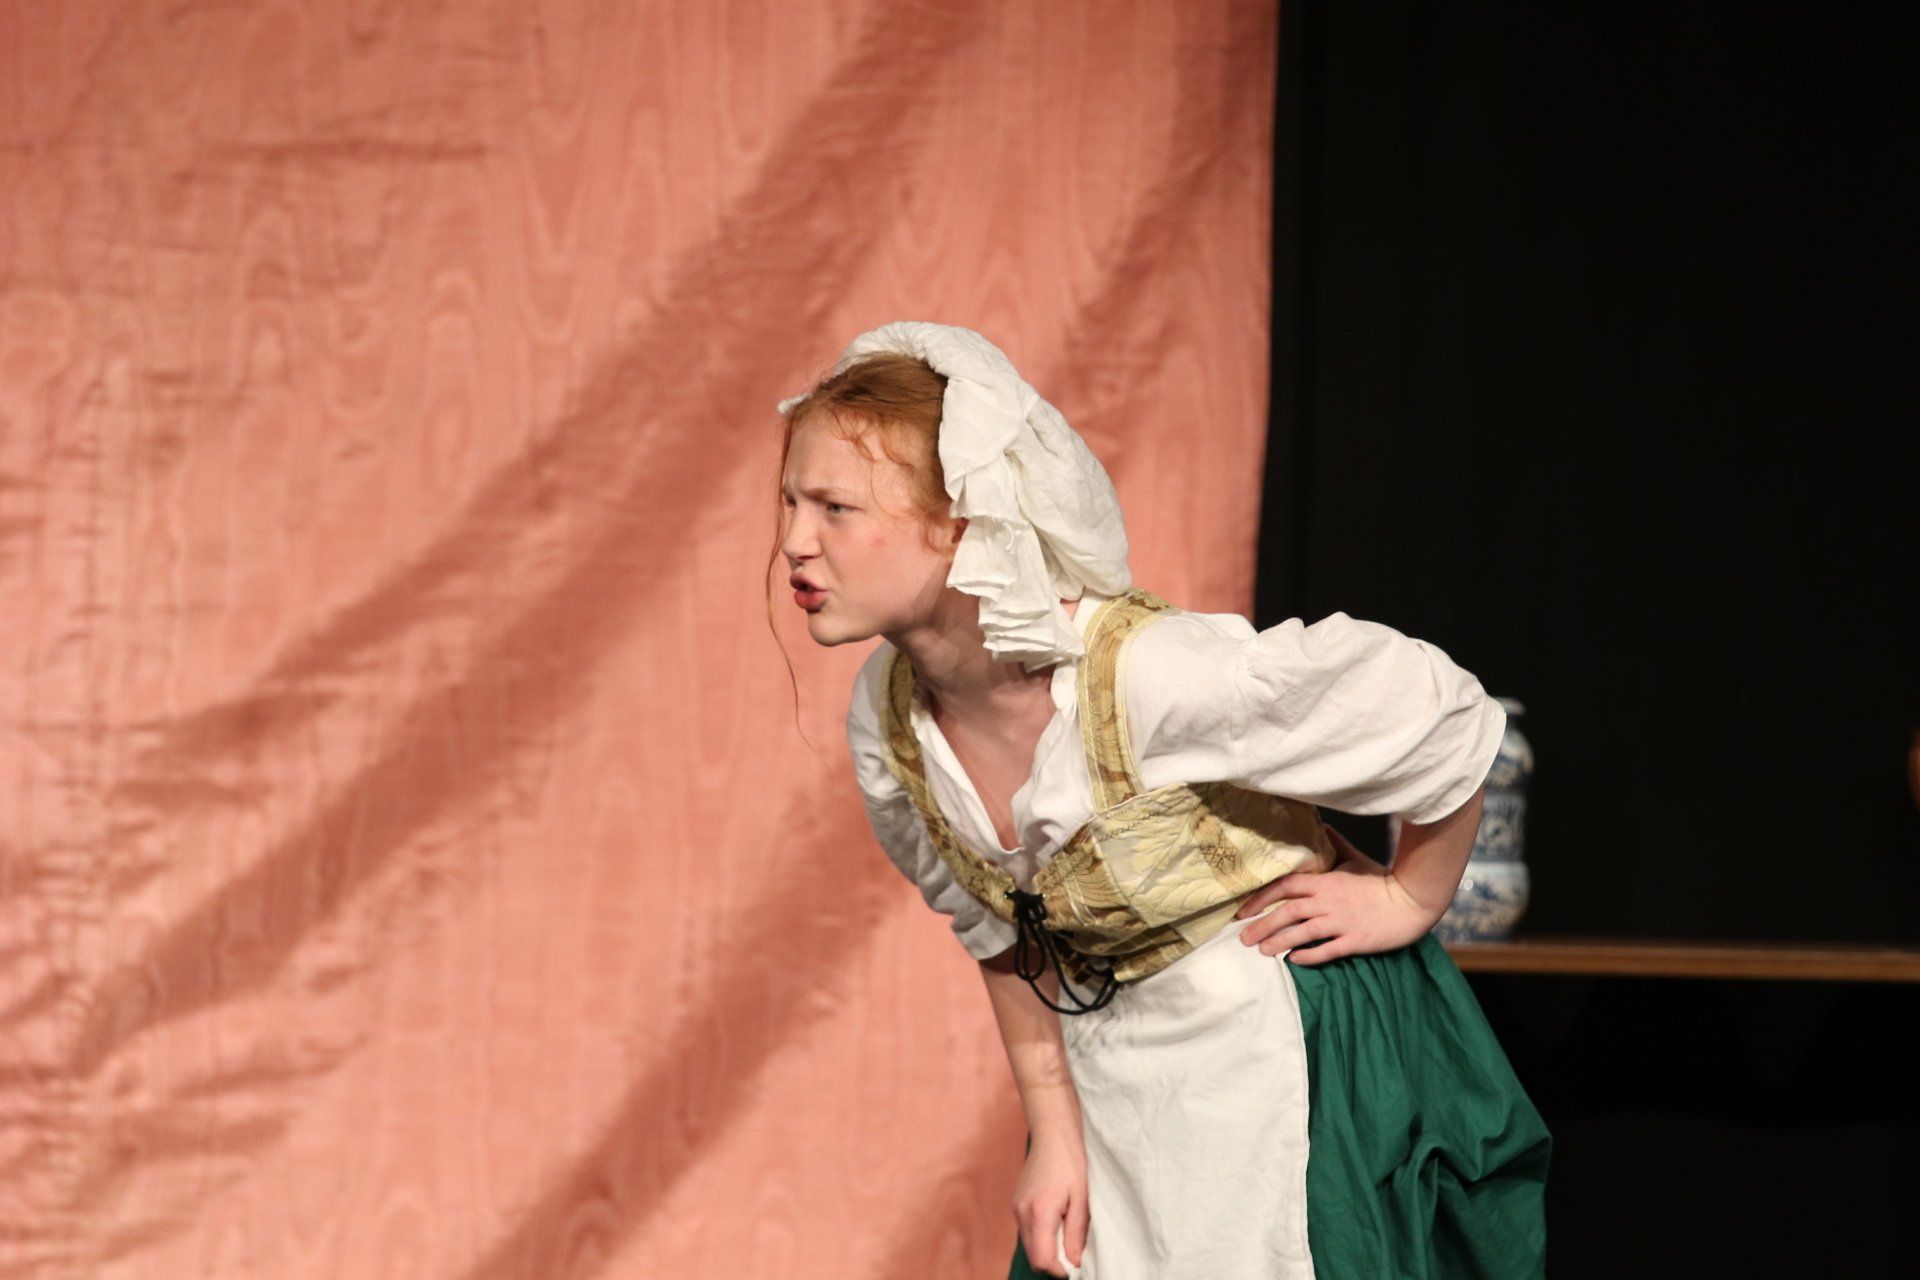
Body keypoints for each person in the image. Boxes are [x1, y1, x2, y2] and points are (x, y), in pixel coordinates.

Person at [772, 321, 1550, 1280]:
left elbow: (1442, 715)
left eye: (835, 508)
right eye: (790, 503)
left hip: (1286, 1049)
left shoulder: (1143, 675)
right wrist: (1054, 1132)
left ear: (964, 520)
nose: (794, 541)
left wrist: (1409, 895)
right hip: (1119, 1075)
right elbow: (998, 932)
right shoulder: (888, 719)